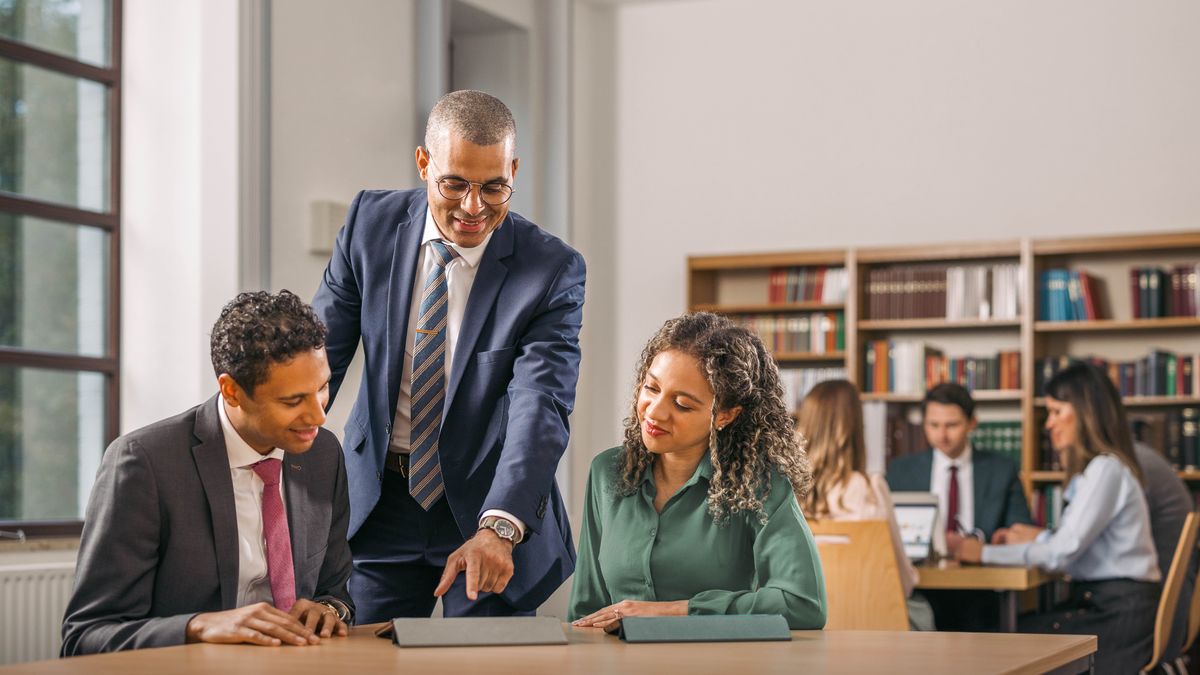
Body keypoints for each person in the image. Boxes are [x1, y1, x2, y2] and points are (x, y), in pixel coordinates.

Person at [311, 90, 585, 621]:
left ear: (514, 170)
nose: (473, 207)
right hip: (380, 505)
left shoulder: (551, 269)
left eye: (494, 186)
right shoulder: (370, 223)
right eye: (454, 183)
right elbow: (318, 359)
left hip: (486, 509)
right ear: (423, 163)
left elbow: (540, 403)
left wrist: (501, 526)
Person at [61, 291, 353, 655]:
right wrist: (197, 625)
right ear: (231, 391)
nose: (318, 416)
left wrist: (326, 610)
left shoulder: (322, 454)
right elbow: (85, 637)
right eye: (293, 401)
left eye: (322, 387)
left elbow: (336, 591)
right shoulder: (144, 464)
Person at [568, 313, 826, 630]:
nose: (655, 411)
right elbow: (585, 610)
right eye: (651, 387)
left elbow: (803, 604)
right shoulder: (607, 472)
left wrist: (675, 611)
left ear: (726, 416)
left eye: (682, 404)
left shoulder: (760, 483)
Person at [958, 362, 1160, 674]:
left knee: (996, 645)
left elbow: (1061, 554)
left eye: (1056, 412)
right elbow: (1078, 543)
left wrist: (982, 553)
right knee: (1001, 635)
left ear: (1084, 412)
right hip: (1111, 604)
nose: (1048, 424)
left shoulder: (1105, 469)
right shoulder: (1103, 470)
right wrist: (1037, 536)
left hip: (1116, 614)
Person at [886, 382, 1033, 630]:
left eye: (951, 425)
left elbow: (1022, 528)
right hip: (920, 587)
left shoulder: (1001, 469)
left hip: (982, 589)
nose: (942, 435)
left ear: (972, 423)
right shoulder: (901, 471)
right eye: (933, 425)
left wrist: (988, 541)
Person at [797, 380, 934, 629]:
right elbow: (902, 582)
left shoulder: (784, 491)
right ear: (855, 428)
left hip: (810, 634)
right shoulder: (870, 488)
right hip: (877, 632)